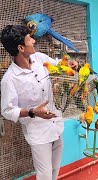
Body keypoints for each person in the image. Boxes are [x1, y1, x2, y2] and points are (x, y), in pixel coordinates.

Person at [0, 25, 78, 180]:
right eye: (30, 39)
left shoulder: (40, 58)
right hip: (38, 133)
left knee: (55, 170)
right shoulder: (10, 79)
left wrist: (69, 64)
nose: (34, 41)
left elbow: (58, 65)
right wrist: (32, 112)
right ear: (21, 47)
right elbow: (7, 110)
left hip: (56, 125)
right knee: (45, 175)